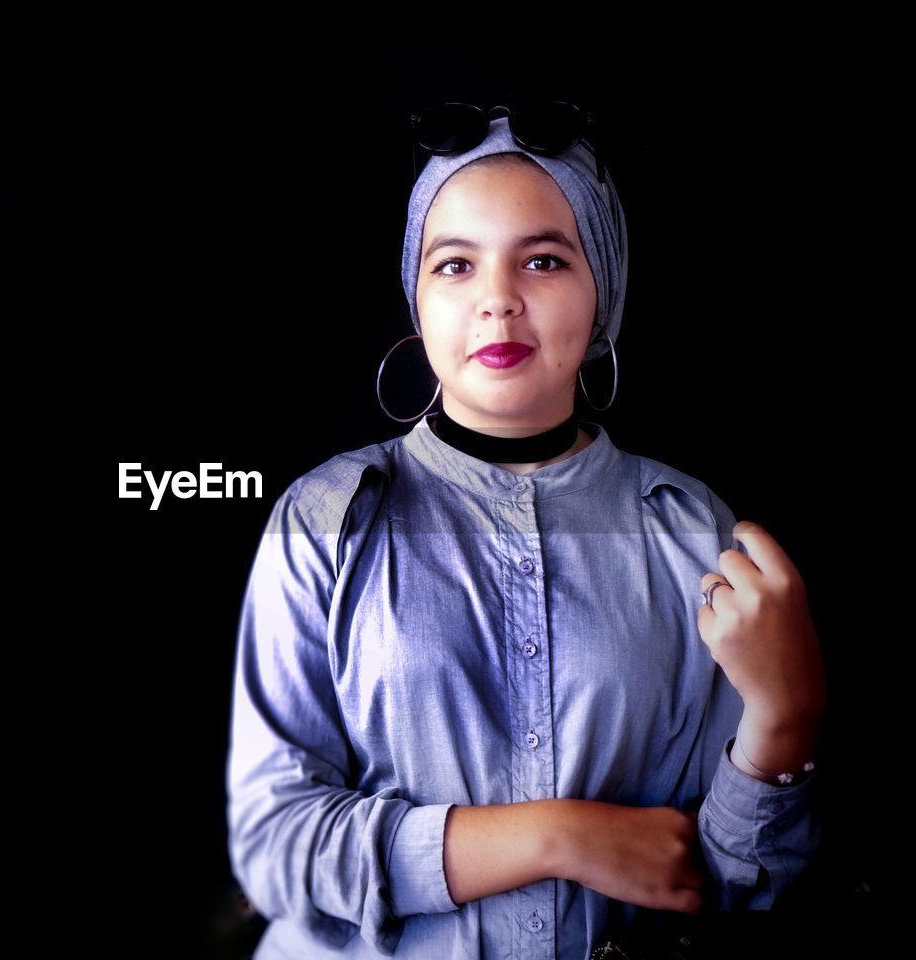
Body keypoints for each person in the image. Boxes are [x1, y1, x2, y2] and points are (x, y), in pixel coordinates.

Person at [225, 104, 825, 960]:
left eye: (543, 260)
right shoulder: (320, 520)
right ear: (417, 297)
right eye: (455, 264)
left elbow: (735, 886)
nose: (498, 300)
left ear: (602, 290)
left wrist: (787, 719)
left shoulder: (698, 534)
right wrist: (562, 836)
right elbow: (273, 850)